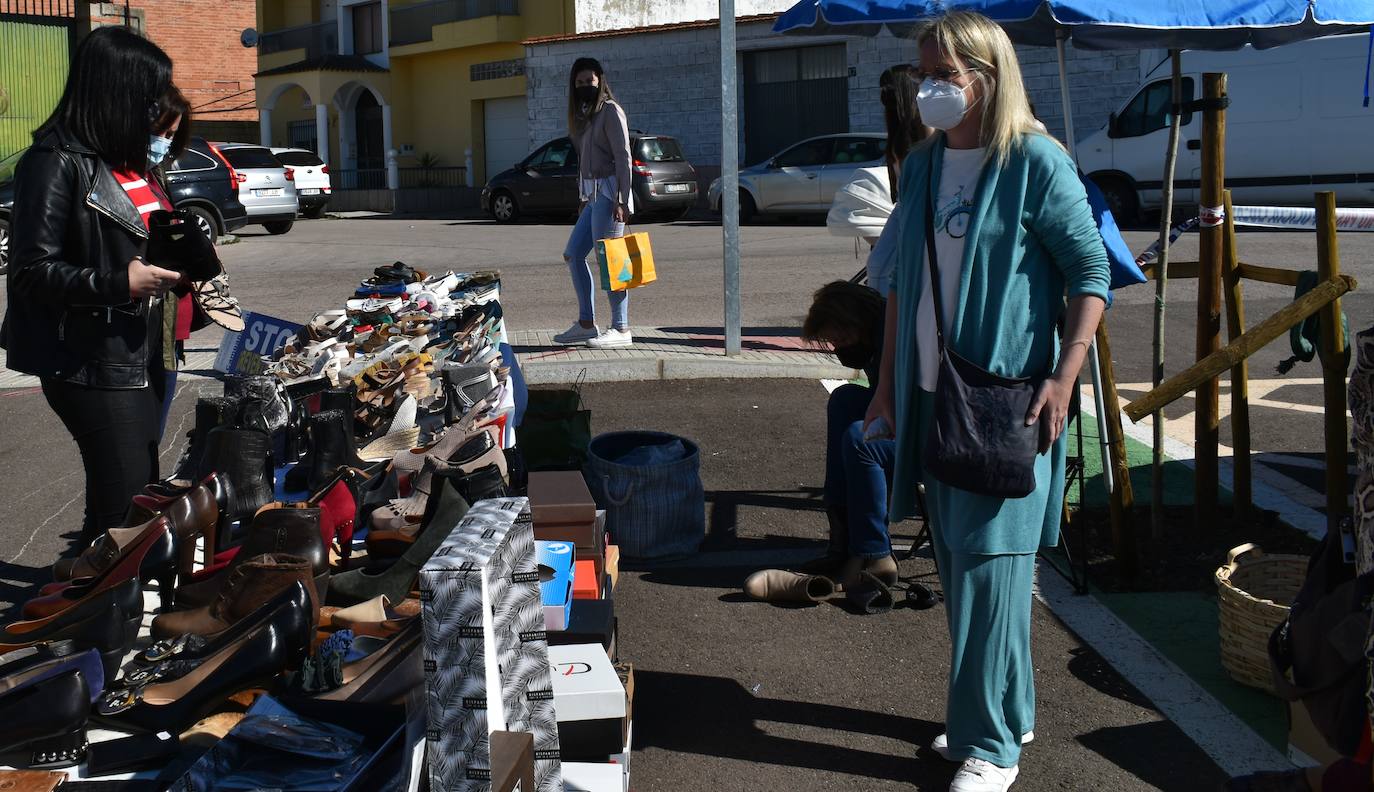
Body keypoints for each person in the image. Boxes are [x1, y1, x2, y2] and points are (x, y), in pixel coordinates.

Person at [865, 12, 1109, 792]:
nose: (929, 87)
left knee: (989, 576)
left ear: (988, 77)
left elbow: (1091, 276)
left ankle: (991, 747)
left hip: (1010, 406)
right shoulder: (931, 165)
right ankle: (1013, 710)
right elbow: (904, 286)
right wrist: (884, 391)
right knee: (972, 570)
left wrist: (1064, 378)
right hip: (939, 400)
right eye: (924, 72)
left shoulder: (1036, 162)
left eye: (944, 74)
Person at [1, 26, 185, 546]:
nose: (154, 111)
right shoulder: (54, 162)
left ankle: (82, 602)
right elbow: (31, 271)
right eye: (148, 97)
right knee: (126, 508)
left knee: (126, 496)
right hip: (86, 359)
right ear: (118, 92)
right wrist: (115, 283)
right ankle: (103, 623)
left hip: (135, 347)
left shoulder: (109, 160)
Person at [800, 282, 898, 587]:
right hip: (902, 418)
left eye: (841, 338)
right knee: (844, 398)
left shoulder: (893, 334)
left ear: (857, 321)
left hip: (930, 433)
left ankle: (873, 554)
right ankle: (842, 542)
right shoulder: (872, 337)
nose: (838, 348)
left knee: (860, 438)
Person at [553, 57, 635, 350]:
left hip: (611, 193)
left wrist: (623, 200)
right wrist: (582, 197)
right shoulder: (585, 115)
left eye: (589, 81)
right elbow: (583, 162)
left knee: (612, 260)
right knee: (574, 254)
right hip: (592, 196)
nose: (585, 86)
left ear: (600, 80)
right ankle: (586, 324)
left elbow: (623, 157)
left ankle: (621, 327)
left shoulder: (610, 111)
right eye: (579, 82)